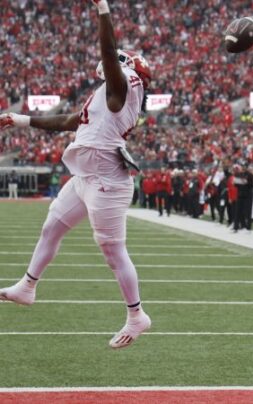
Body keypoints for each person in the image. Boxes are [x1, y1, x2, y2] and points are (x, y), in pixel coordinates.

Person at [0, 0, 151, 349]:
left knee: (112, 251)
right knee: (52, 226)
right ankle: (27, 286)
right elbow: (69, 122)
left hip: (107, 182)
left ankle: (136, 315)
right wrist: (20, 119)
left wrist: (102, 8)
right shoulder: (107, 96)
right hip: (87, 176)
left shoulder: (123, 89)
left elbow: (109, 50)